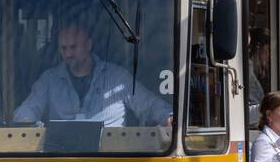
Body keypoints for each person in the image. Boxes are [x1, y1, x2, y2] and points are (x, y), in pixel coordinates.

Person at [12, 17, 171, 127]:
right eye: (64, 49)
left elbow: (149, 105)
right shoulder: (49, 79)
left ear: (88, 45)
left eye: (73, 47)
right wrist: (26, 121)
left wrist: (168, 117)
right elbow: (27, 110)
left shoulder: (117, 77)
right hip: (61, 161)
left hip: (112, 160)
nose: (68, 54)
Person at [246, 28, 269, 113]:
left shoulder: (258, 73)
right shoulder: (247, 72)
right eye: (268, 50)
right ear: (258, 48)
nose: (269, 56)